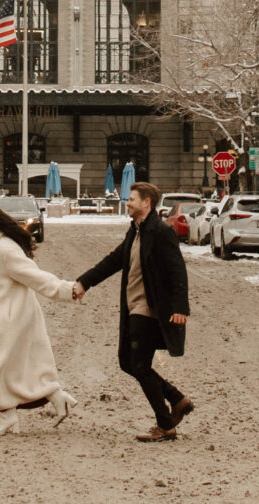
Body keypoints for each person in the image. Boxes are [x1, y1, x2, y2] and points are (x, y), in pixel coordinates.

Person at [73, 181, 192, 443]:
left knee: (138, 364)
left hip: (148, 309)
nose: (128, 203)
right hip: (132, 307)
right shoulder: (135, 232)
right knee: (126, 362)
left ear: (147, 203)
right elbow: (113, 261)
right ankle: (176, 399)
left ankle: (166, 424)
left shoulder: (160, 232)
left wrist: (180, 308)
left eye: (132, 199)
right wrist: (85, 282)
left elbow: (177, 270)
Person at [0, 204, 78, 435]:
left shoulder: (5, 249)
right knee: (18, 366)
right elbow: (0, 281)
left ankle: (10, 417)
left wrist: (66, 290)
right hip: (10, 314)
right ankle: (57, 399)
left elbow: (35, 277)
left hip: (12, 317)